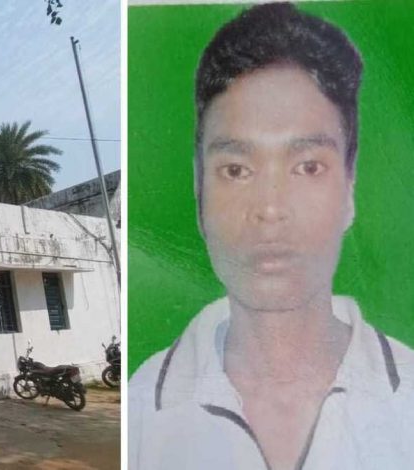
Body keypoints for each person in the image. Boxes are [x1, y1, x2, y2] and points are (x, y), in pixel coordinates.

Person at [129, 3, 414, 469]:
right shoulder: (140, 415)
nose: (270, 209)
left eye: (308, 167)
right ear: (199, 189)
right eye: (236, 170)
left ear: (349, 189)